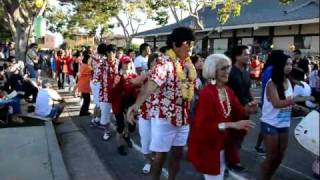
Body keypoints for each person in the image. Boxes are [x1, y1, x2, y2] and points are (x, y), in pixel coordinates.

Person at [127, 27, 197, 180]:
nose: (191, 45)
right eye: (187, 42)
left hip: (183, 118)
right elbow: (150, 85)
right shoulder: (164, 63)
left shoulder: (189, 65)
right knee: (160, 157)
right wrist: (136, 105)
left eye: (192, 42)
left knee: (178, 155)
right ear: (175, 44)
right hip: (165, 118)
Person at [188, 54, 256, 180]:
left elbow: (239, 112)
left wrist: (247, 110)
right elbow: (202, 126)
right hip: (209, 147)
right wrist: (231, 124)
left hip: (223, 145)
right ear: (213, 71)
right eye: (223, 69)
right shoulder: (207, 93)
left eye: (228, 68)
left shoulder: (227, 90)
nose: (227, 72)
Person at [260, 51, 312, 180]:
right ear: (279, 65)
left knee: (279, 157)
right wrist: (297, 100)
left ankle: (268, 177)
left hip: (284, 123)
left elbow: (287, 101)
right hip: (270, 123)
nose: (289, 66)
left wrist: (299, 108)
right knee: (271, 157)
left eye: (290, 64)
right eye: (286, 64)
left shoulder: (288, 81)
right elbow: (277, 103)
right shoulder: (272, 83)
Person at [227, 45, 257, 171]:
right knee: (230, 137)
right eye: (245, 54)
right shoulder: (229, 72)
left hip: (245, 110)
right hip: (232, 110)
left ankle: (233, 159)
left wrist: (252, 102)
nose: (248, 56)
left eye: (248, 54)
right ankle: (230, 161)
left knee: (240, 137)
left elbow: (247, 90)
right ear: (237, 56)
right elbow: (228, 93)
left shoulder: (246, 72)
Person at [111, 55, 137, 155]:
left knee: (132, 125)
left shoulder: (133, 75)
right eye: (125, 62)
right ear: (121, 64)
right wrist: (117, 84)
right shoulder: (117, 76)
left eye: (129, 62)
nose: (127, 64)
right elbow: (113, 92)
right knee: (120, 126)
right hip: (118, 103)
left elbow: (137, 88)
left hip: (129, 102)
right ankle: (120, 146)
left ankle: (126, 136)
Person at [92, 44, 119, 141]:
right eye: (111, 52)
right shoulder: (101, 64)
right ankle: (107, 131)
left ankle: (122, 131)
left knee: (118, 114)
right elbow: (95, 77)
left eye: (114, 52)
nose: (113, 54)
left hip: (118, 94)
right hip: (105, 94)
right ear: (107, 53)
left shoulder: (119, 64)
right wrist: (95, 81)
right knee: (105, 114)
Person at [77, 51, 92, 116]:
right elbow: (93, 70)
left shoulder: (83, 65)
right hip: (85, 85)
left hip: (83, 84)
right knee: (87, 99)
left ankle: (84, 111)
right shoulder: (87, 66)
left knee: (86, 99)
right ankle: (83, 112)